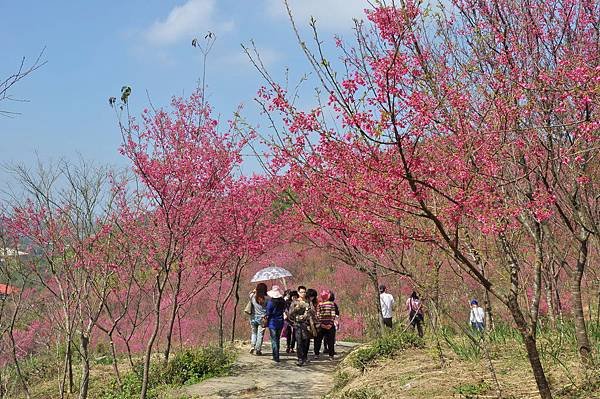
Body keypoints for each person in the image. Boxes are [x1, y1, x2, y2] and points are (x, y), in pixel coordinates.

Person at [288, 286, 315, 366]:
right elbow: (290, 314)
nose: (303, 293)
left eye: (304, 292)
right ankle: (300, 358)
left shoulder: (308, 302)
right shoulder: (295, 302)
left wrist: (309, 311)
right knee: (299, 341)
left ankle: (305, 357)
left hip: (306, 324)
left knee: (306, 341)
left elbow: (313, 311)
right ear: (298, 293)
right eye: (302, 292)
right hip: (297, 324)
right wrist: (296, 309)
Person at [265, 285, 286, 362]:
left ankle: (276, 356)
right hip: (280, 321)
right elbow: (284, 310)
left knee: (274, 340)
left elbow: (268, 312)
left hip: (272, 322)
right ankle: (277, 355)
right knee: (277, 339)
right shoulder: (283, 301)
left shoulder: (271, 302)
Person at [314, 290, 337, 360]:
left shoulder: (319, 304)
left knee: (318, 340)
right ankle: (331, 355)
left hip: (321, 325)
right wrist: (330, 324)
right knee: (330, 341)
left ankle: (316, 354)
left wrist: (321, 324)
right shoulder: (332, 304)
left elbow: (317, 315)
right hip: (330, 325)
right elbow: (333, 315)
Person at [249, 283, 268, 355]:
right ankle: (258, 349)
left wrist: (253, 291)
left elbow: (249, 293)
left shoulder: (252, 296)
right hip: (262, 318)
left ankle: (252, 346)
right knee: (260, 334)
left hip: (253, 317)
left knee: (254, 332)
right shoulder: (267, 298)